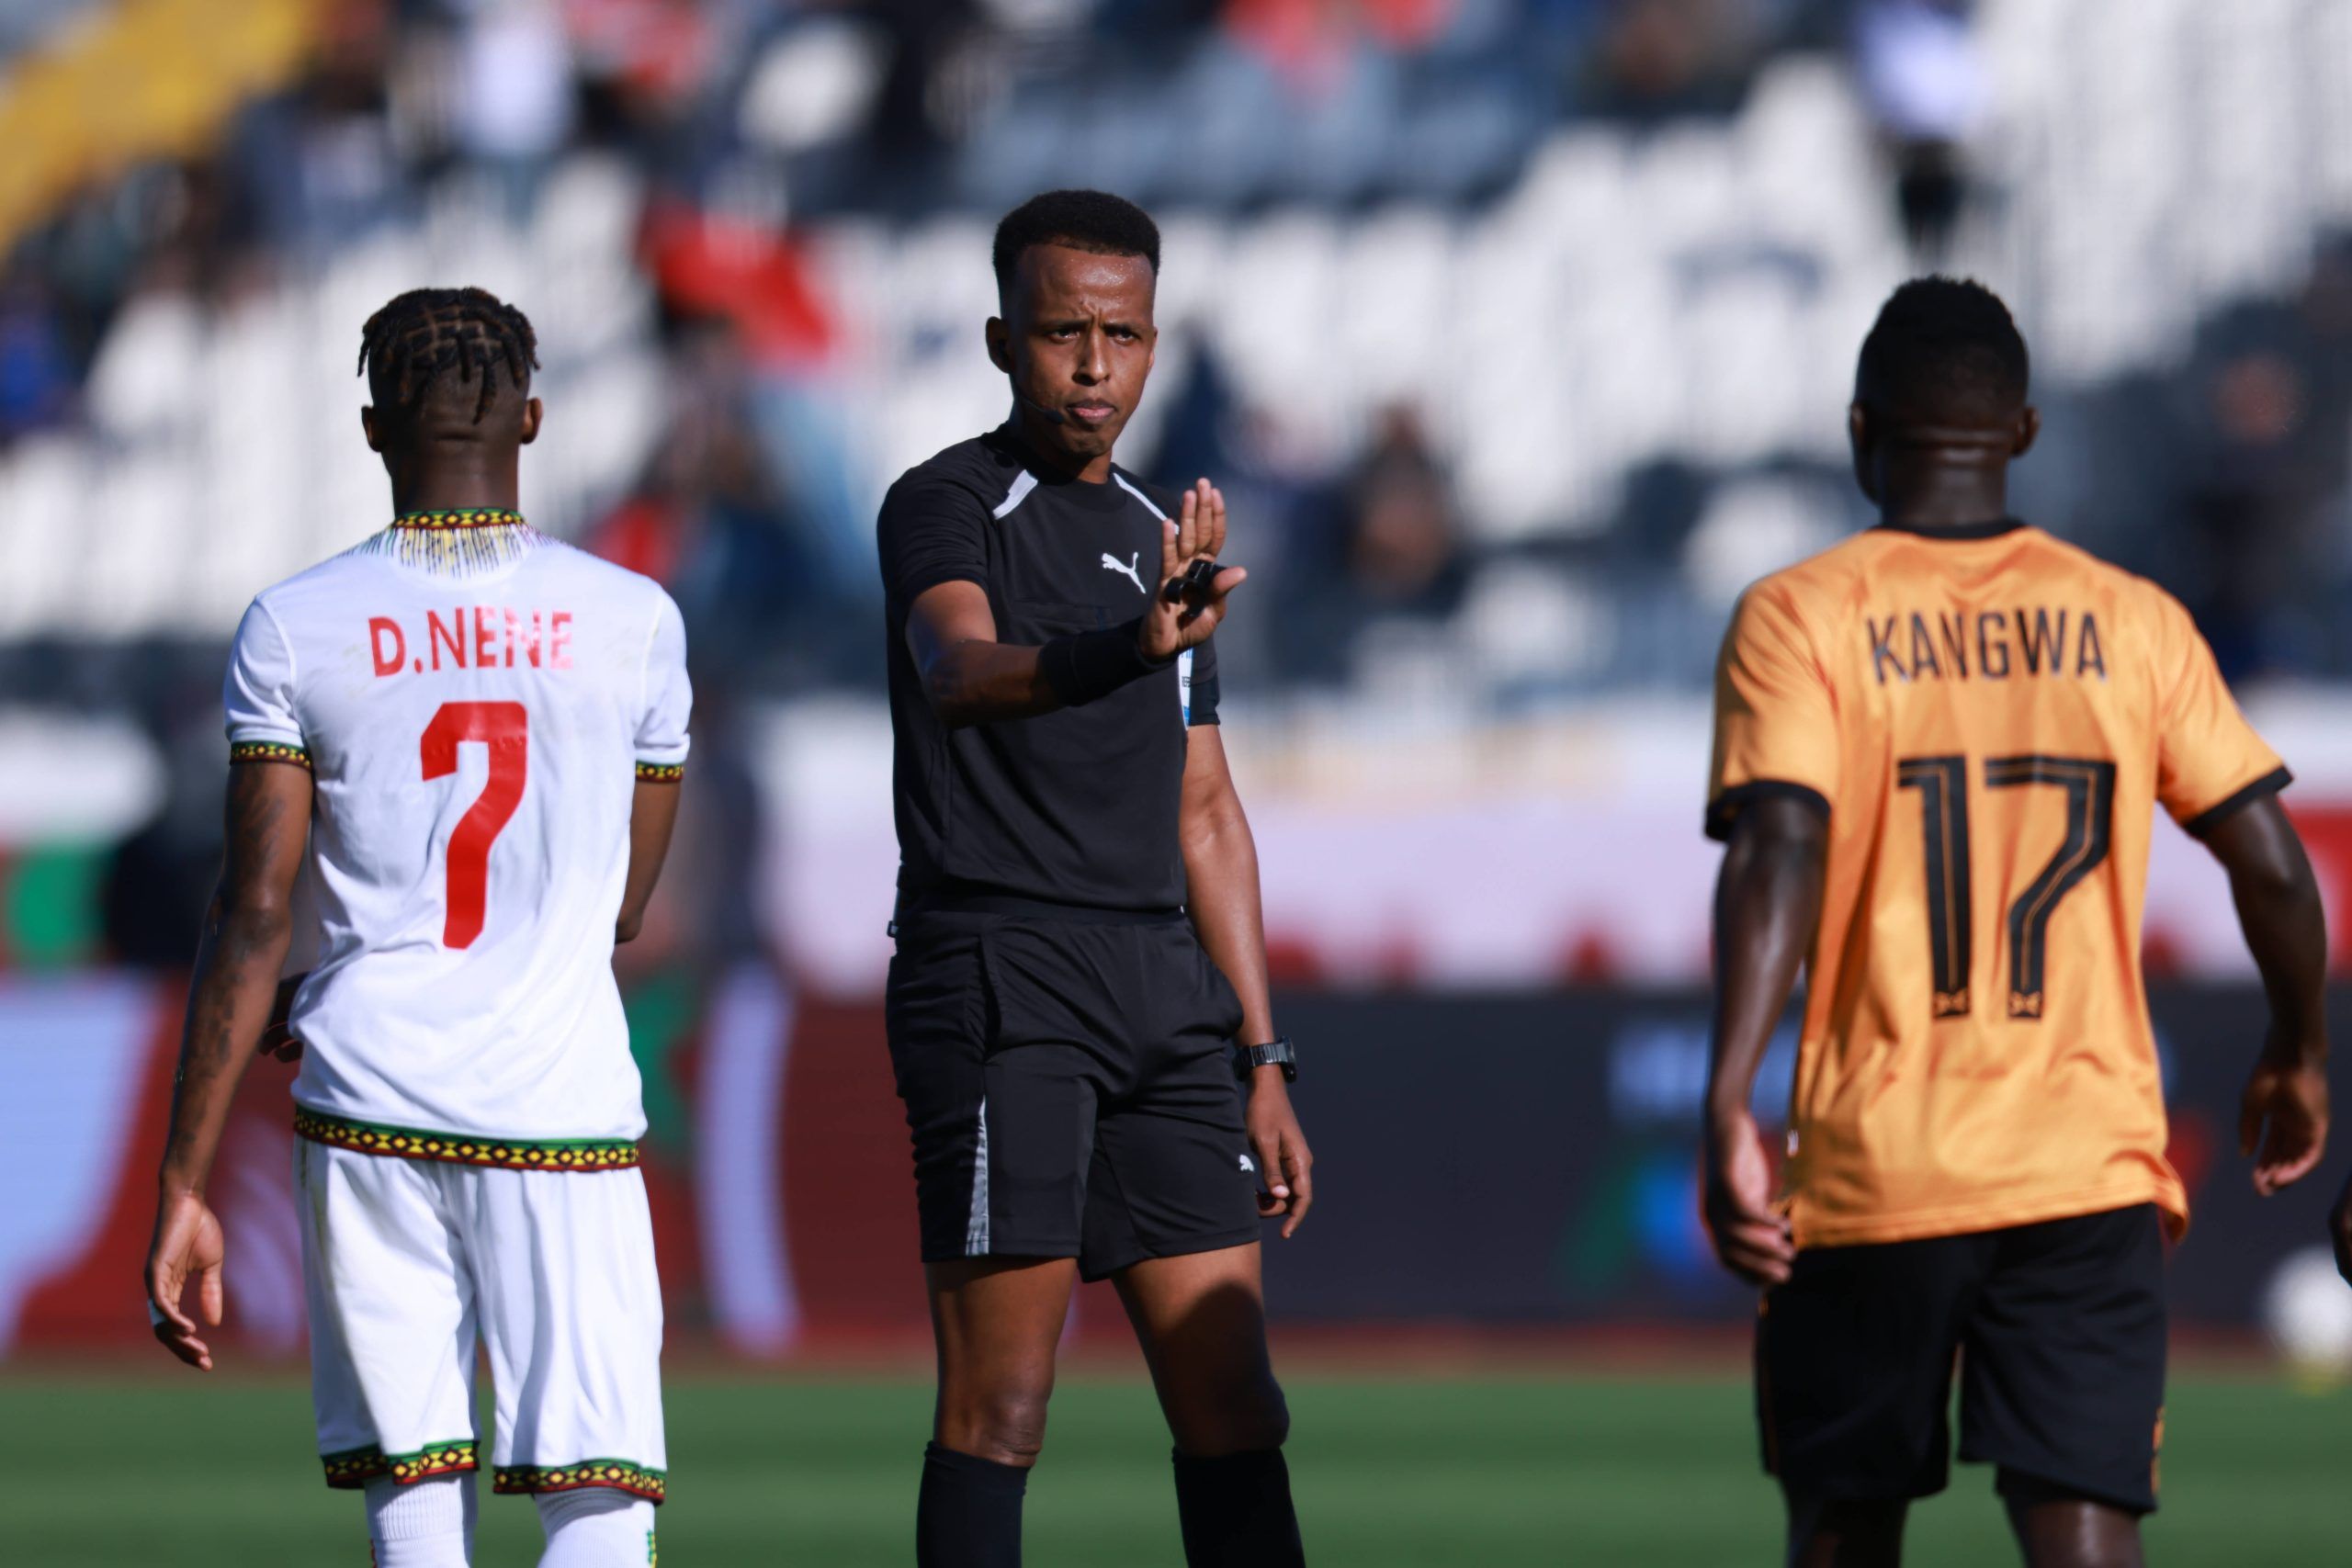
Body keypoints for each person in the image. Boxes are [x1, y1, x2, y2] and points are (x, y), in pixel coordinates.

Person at [1700, 277, 2330, 1568]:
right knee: (2084, 1532)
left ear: (1861, 428)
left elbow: (1779, 846)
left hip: (1879, 1161)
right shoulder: (2134, 620)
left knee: (1844, 1523)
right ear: (2024, 433)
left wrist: (1726, 1099)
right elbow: (2270, 859)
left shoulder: (1802, 614)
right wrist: (2300, 1049)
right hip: (2082, 1163)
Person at [141, 287, 692, 1568]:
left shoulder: (294, 625)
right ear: (536, 419)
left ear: (372, 426)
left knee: (413, 1496)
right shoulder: (633, 622)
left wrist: (184, 1184)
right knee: (598, 1502)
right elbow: (623, 902)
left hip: (367, 1096)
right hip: (556, 1103)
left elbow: (256, 908)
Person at [876, 189, 1314, 1568]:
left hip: (1165, 999)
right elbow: (960, 672)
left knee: (1237, 1403)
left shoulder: (1159, 531)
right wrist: (1126, 645)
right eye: (1062, 331)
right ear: (1003, 339)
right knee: (1003, 1405)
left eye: (1119, 335)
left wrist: (1262, 1050)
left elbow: (1207, 810)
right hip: (1006, 975)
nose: (1091, 364)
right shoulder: (948, 502)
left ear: (1154, 341)